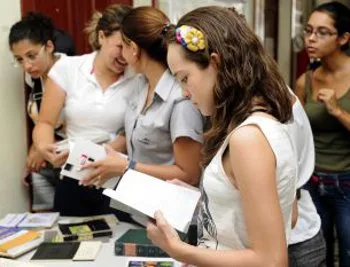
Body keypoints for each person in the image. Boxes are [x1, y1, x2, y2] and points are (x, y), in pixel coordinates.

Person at [146, 6, 297, 266]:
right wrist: (206, 196)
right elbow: (281, 211)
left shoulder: (248, 138)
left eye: (185, 78)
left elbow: (271, 261)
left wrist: (178, 249)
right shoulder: (254, 123)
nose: (184, 92)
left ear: (215, 63)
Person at [33, 4, 138, 217]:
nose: (125, 57)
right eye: (119, 46)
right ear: (101, 37)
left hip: (117, 180)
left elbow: (133, 132)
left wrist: (101, 153)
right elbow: (45, 123)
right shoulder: (68, 69)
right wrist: (45, 148)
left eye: (131, 48)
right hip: (74, 178)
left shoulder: (138, 77)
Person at [80, 6, 203, 186]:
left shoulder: (180, 99)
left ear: (134, 49)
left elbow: (189, 174)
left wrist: (127, 166)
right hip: (135, 204)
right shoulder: (139, 85)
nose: (122, 54)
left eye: (123, 46)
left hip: (163, 209)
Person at [295, 2, 350, 267]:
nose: (311, 38)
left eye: (322, 32)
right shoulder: (305, 80)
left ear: (343, 38)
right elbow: (298, 133)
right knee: (318, 254)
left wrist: (337, 111)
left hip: (348, 182)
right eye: (308, 31)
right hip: (313, 182)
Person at [9, 12, 72, 211]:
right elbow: (42, 119)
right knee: (44, 226)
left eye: (31, 56)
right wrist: (35, 150)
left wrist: (40, 148)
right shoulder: (33, 78)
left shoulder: (73, 73)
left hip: (72, 163)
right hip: (45, 165)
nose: (26, 66)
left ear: (49, 47)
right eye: (19, 59)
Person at [287, 92, 326, 267]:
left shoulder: (269, 106)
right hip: (298, 233)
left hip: (295, 240)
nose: (189, 93)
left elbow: (290, 215)